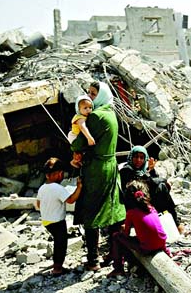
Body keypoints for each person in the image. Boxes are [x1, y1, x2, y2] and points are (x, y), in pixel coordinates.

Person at [70, 81, 126, 271]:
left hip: (96, 169)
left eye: (94, 94)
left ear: (101, 95)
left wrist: (76, 147)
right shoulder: (111, 113)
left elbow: (78, 144)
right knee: (112, 210)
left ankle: (93, 259)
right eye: (89, 93)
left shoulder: (95, 116)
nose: (90, 98)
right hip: (111, 165)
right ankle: (115, 253)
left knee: (91, 211)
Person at [107, 180, 170, 278]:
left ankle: (118, 268)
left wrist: (123, 228)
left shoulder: (131, 213)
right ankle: (167, 253)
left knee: (116, 236)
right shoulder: (152, 208)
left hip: (147, 249)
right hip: (162, 244)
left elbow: (126, 234)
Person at [119, 145, 184, 234]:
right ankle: (175, 223)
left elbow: (153, 181)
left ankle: (175, 221)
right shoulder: (126, 170)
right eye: (136, 157)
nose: (138, 160)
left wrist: (151, 170)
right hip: (135, 201)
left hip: (147, 197)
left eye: (141, 158)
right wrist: (149, 174)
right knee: (162, 186)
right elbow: (138, 185)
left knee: (162, 188)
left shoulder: (144, 170)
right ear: (131, 157)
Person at [36, 157, 82, 276]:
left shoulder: (42, 187)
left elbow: (38, 204)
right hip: (58, 221)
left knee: (57, 242)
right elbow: (71, 200)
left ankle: (56, 263)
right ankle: (58, 268)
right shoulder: (58, 188)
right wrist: (79, 187)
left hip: (46, 221)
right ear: (60, 173)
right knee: (61, 244)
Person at [68, 95, 95, 168]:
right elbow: (82, 127)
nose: (88, 110)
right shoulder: (80, 118)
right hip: (75, 138)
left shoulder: (83, 116)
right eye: (85, 108)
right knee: (83, 149)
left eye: (90, 107)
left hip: (75, 138)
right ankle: (75, 161)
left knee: (79, 152)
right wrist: (89, 138)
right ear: (79, 109)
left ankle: (75, 161)